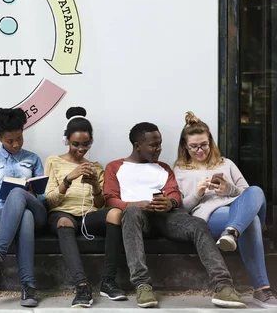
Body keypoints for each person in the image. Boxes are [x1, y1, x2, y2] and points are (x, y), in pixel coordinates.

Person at [104, 122, 245, 309]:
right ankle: (142, 285)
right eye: (153, 145)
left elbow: (174, 195)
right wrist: (137, 204)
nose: (159, 149)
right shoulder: (115, 167)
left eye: (160, 144)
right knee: (130, 213)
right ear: (137, 146)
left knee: (197, 224)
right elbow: (110, 199)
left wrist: (169, 203)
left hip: (166, 217)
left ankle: (223, 286)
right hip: (137, 218)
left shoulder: (164, 168)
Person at [174, 111, 277, 308]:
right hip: (210, 216)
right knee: (252, 221)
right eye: (194, 146)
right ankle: (262, 290)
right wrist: (198, 193)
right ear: (185, 147)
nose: (200, 151)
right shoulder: (179, 171)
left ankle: (232, 232)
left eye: (203, 145)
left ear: (210, 141)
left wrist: (228, 189)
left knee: (256, 190)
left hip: (237, 210)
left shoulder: (226, 163)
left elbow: (249, 195)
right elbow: (181, 210)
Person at [44, 106, 126, 307]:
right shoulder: (53, 161)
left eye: (86, 144)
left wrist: (96, 187)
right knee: (64, 221)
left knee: (115, 213)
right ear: (66, 141)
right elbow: (49, 201)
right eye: (75, 144)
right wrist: (68, 179)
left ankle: (108, 281)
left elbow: (100, 205)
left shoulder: (96, 167)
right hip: (62, 214)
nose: (81, 149)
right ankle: (81, 285)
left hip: (89, 216)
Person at [0, 107, 47, 308]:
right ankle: (28, 286)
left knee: (20, 197)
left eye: (19, 139)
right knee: (23, 216)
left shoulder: (33, 159)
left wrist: (28, 192)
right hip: (1, 212)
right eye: (10, 141)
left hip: (37, 211)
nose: (16, 145)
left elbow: (43, 197)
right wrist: (7, 184)